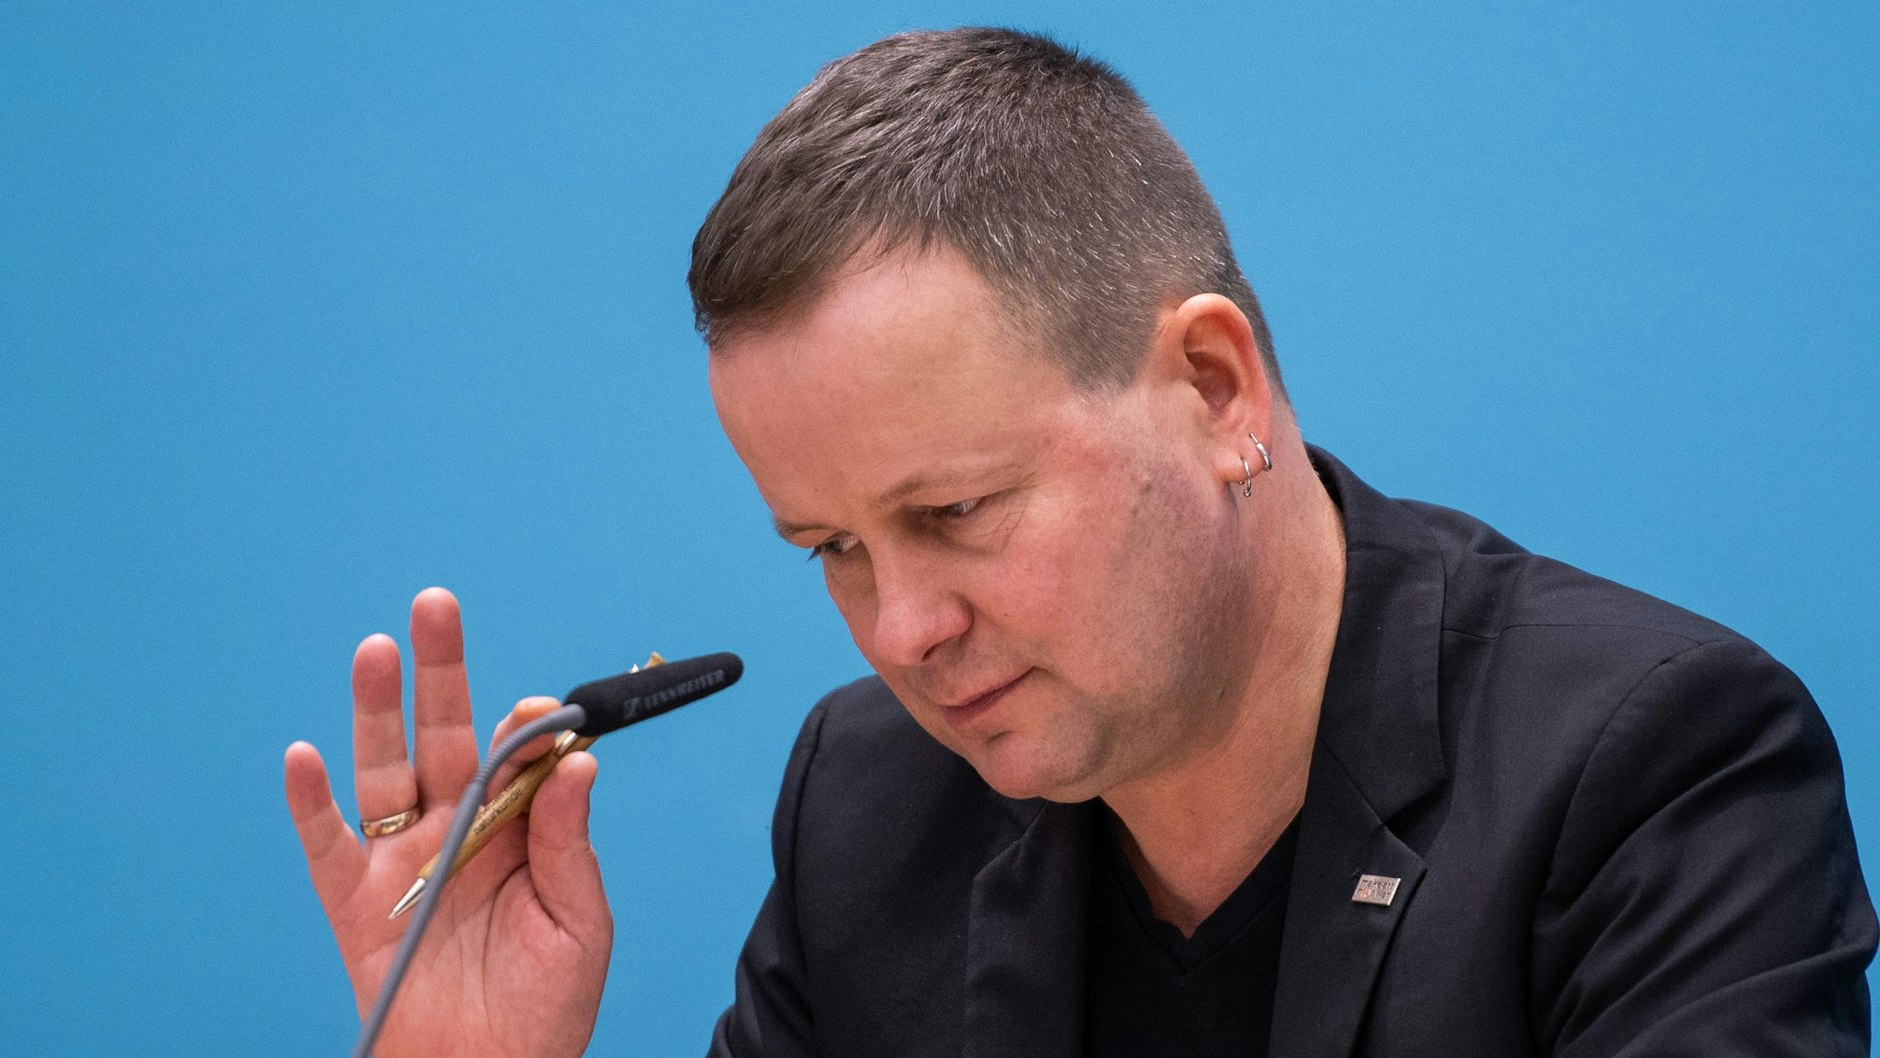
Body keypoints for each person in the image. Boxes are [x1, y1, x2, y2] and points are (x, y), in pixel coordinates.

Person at [283, 27, 1875, 1057]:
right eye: (831, 547)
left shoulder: (1652, 765)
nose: (901, 631)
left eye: (953, 513)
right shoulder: (870, 804)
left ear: (1215, 387)